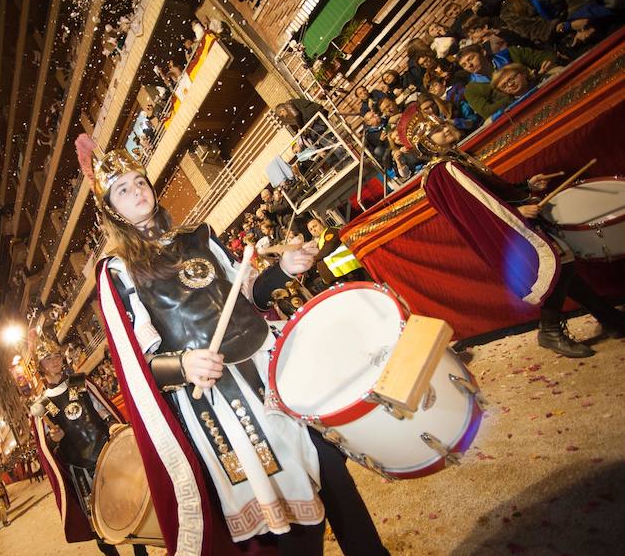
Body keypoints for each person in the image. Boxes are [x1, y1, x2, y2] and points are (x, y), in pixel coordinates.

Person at [76, 134, 388, 555]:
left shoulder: (200, 236)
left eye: (140, 181)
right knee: (287, 513)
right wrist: (184, 366)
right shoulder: (118, 271)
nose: (137, 192)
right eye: (123, 190)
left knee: (333, 471)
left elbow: (248, 297)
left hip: (271, 365)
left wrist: (282, 271)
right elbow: (139, 363)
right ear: (111, 209)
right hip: (220, 398)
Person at [407, 113, 625, 357]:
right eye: (437, 130)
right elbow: (480, 207)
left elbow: (491, 193)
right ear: (428, 143)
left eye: (444, 123)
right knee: (561, 262)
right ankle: (551, 330)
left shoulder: (455, 160)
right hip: (504, 224)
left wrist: (527, 186)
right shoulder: (444, 170)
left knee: (564, 263)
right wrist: (518, 213)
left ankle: (609, 318)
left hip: (506, 218)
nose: (445, 129)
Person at [30, 337, 148, 556]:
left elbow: (102, 410)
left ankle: (141, 552)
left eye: (56, 355)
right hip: (81, 469)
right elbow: (47, 448)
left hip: (107, 455)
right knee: (98, 522)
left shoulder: (79, 382)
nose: (54, 361)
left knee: (129, 505)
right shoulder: (42, 405)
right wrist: (54, 438)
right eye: (47, 359)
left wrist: (113, 425)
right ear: (41, 367)